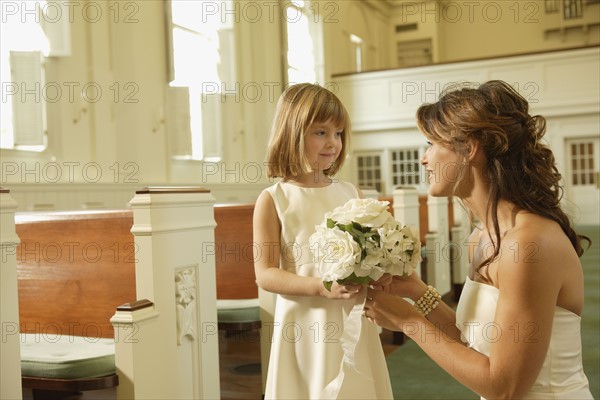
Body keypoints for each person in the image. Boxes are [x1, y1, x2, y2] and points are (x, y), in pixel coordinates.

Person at [363, 80, 593, 399]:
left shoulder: (526, 244)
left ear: (469, 149)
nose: (423, 159)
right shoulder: (481, 236)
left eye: (431, 143)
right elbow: (473, 342)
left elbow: (505, 387)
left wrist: (408, 322)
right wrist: (416, 291)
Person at [253, 83, 393, 399]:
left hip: (351, 313)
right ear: (292, 134)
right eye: (321, 133)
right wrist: (320, 287)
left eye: (339, 133)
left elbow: (369, 252)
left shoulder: (351, 193)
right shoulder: (274, 199)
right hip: (305, 320)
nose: (333, 143)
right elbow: (265, 274)